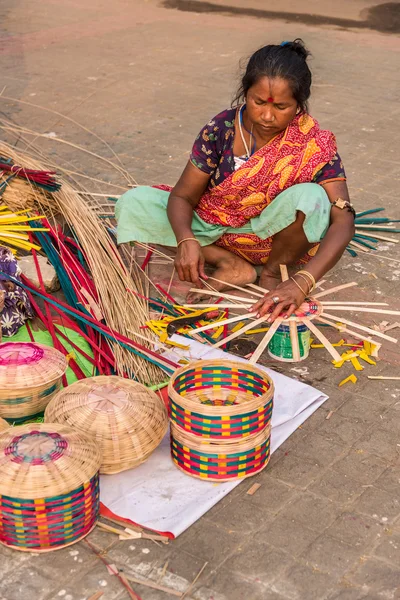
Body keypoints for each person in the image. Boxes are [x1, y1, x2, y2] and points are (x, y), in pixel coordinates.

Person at [116, 39, 355, 322]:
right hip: (212, 230)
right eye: (257, 103)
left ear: (299, 105)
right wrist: (186, 239)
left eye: (281, 106)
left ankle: (268, 271)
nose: (267, 115)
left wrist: (303, 280)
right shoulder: (222, 129)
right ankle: (230, 263)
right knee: (133, 203)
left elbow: (344, 219)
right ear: (245, 93)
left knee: (313, 197)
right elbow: (182, 197)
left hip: (272, 239)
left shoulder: (313, 143)